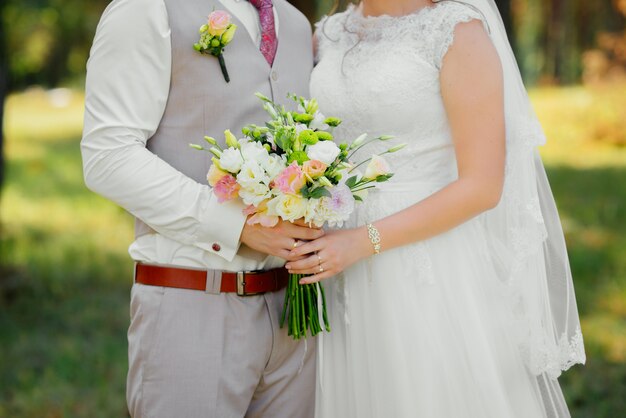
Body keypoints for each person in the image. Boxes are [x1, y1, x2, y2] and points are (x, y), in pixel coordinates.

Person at [288, 0, 586, 417]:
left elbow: (482, 186)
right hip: (333, 261)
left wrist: (363, 241)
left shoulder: (457, 32)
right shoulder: (330, 32)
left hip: (423, 262)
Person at [81, 0, 320, 416]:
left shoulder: (296, 25)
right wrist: (236, 224)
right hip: (194, 302)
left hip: (296, 319)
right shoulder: (147, 9)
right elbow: (108, 155)